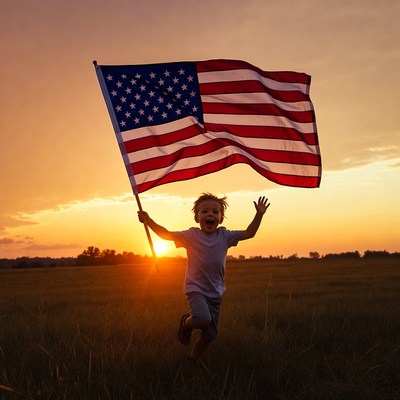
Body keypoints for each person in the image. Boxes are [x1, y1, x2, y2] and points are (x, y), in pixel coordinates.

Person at [137, 192, 270, 360]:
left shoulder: (225, 236)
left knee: (210, 335)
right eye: (205, 211)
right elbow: (166, 234)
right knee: (202, 319)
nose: (210, 214)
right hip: (196, 289)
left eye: (215, 212)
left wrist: (259, 214)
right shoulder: (191, 235)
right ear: (197, 217)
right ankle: (186, 323)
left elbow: (249, 233)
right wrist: (148, 221)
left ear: (221, 218)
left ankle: (193, 360)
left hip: (215, 292)